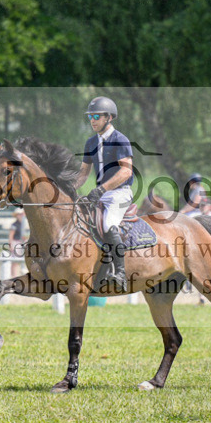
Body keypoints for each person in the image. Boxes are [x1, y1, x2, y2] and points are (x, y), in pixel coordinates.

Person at [75, 96, 134, 292]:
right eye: (90, 116)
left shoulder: (120, 140)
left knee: (109, 225)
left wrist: (101, 189)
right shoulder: (91, 142)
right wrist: (67, 190)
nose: (92, 120)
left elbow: (126, 171)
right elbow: (83, 173)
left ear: (109, 118)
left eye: (96, 116)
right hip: (101, 195)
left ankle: (120, 272)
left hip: (120, 193)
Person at [8, 208, 28, 277]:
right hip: (16, 243)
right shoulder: (14, 225)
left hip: (23, 243)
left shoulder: (24, 224)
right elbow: (11, 236)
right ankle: (14, 276)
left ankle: (23, 273)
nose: (21, 215)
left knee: (25, 259)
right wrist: (10, 245)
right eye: (19, 214)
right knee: (15, 261)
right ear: (16, 215)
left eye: (22, 214)